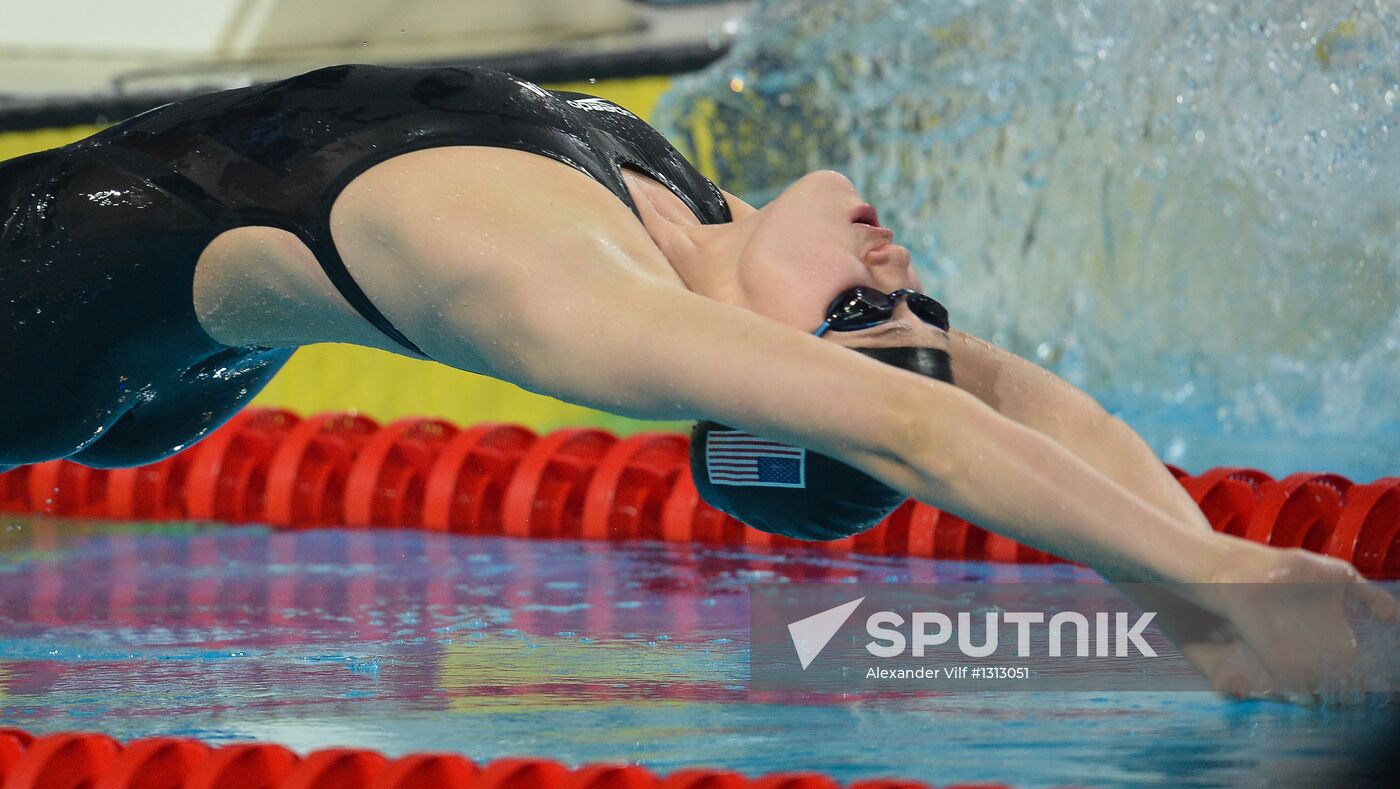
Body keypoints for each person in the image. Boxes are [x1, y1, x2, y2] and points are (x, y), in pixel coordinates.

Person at [0, 64, 1391, 701]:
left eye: (863, 307)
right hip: (182, 347)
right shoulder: (701, 223)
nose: (898, 271)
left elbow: (918, 422)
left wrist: (1225, 590)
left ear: (774, 374)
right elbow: (991, 397)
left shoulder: (578, 303)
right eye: (915, 306)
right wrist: (1200, 572)